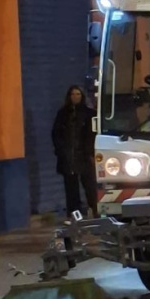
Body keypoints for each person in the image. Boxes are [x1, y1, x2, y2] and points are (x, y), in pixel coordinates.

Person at [52, 86, 97, 216]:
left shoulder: (89, 114)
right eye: (73, 94)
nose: (75, 97)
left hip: (84, 156)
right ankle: (74, 213)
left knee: (89, 185)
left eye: (78, 94)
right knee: (71, 188)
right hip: (68, 157)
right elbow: (56, 133)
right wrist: (60, 150)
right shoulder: (63, 114)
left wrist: (89, 152)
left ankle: (95, 209)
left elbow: (92, 134)